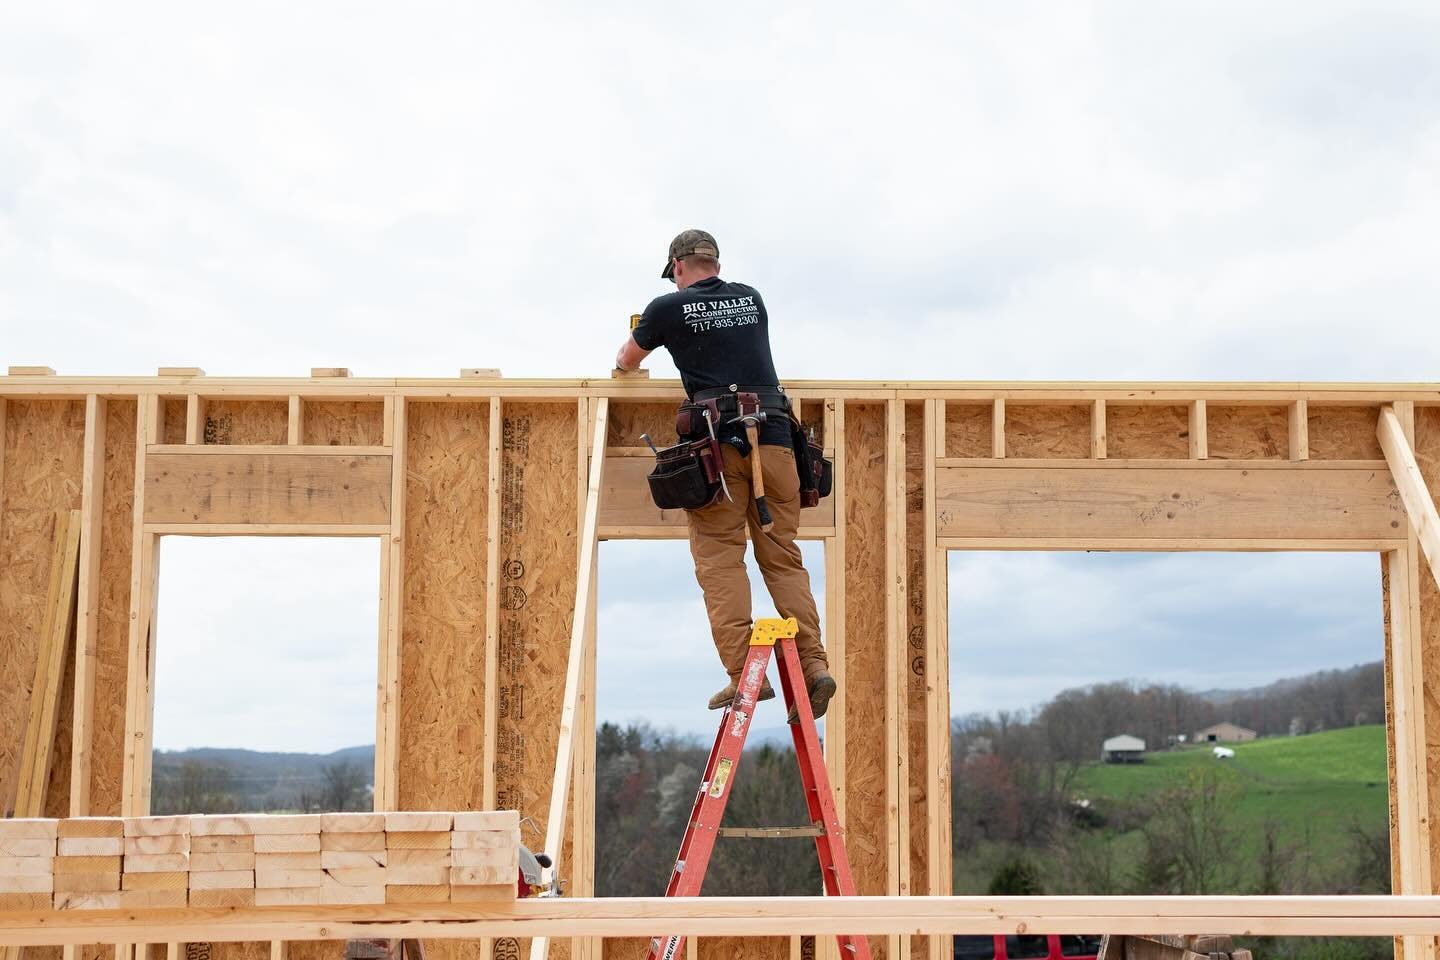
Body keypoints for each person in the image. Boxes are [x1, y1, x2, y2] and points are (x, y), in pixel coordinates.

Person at [614, 229, 836, 718]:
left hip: (719, 447)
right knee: (782, 558)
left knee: (719, 560)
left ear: (676, 266)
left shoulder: (666, 308)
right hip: (776, 440)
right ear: (715, 262)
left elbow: (625, 359)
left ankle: (745, 677)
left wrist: (652, 335)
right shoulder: (751, 298)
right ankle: (815, 665)